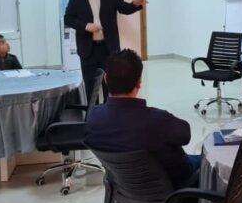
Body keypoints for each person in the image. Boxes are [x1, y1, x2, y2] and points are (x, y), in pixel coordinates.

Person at [84, 49, 201, 189]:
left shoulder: (93, 117)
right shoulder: (158, 121)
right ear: (139, 82)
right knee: (210, 160)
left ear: (105, 79)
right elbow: (185, 136)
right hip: (175, 189)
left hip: (125, 191)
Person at [64, 0, 146, 102]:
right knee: (91, 87)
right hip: (87, 50)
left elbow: (124, 8)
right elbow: (68, 18)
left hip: (108, 49)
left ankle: (110, 110)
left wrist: (135, 3)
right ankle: (94, 112)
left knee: (111, 85)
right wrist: (85, 26)